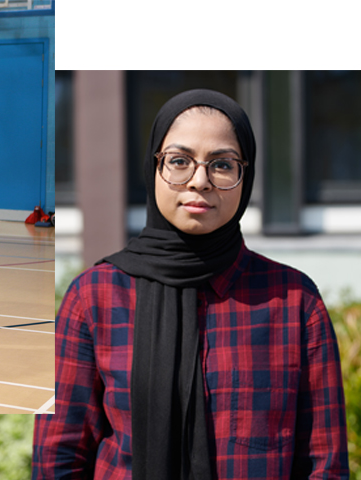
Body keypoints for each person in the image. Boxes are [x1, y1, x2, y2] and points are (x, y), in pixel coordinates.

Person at [33, 89, 349, 479]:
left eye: (222, 164)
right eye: (179, 161)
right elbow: (59, 459)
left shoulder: (293, 301)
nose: (199, 181)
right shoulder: (95, 296)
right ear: (154, 168)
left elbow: (325, 465)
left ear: (244, 175)